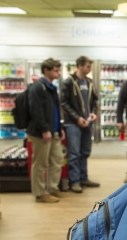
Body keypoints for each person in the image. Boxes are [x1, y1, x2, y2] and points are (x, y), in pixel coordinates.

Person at [28, 58, 66, 203]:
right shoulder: (38, 87)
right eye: (56, 70)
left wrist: (60, 128)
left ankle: (52, 188)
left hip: (54, 130)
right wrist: (44, 129)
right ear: (46, 70)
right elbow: (35, 110)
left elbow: (56, 111)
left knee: (57, 160)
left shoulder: (52, 87)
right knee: (40, 163)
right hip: (41, 133)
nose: (58, 73)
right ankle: (39, 192)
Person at [60, 56, 100, 193]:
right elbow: (64, 102)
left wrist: (94, 113)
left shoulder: (89, 82)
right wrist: (77, 118)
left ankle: (83, 178)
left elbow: (95, 100)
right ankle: (74, 181)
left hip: (88, 123)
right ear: (80, 66)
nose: (90, 69)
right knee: (74, 153)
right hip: (73, 124)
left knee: (85, 152)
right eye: (88, 66)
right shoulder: (69, 82)